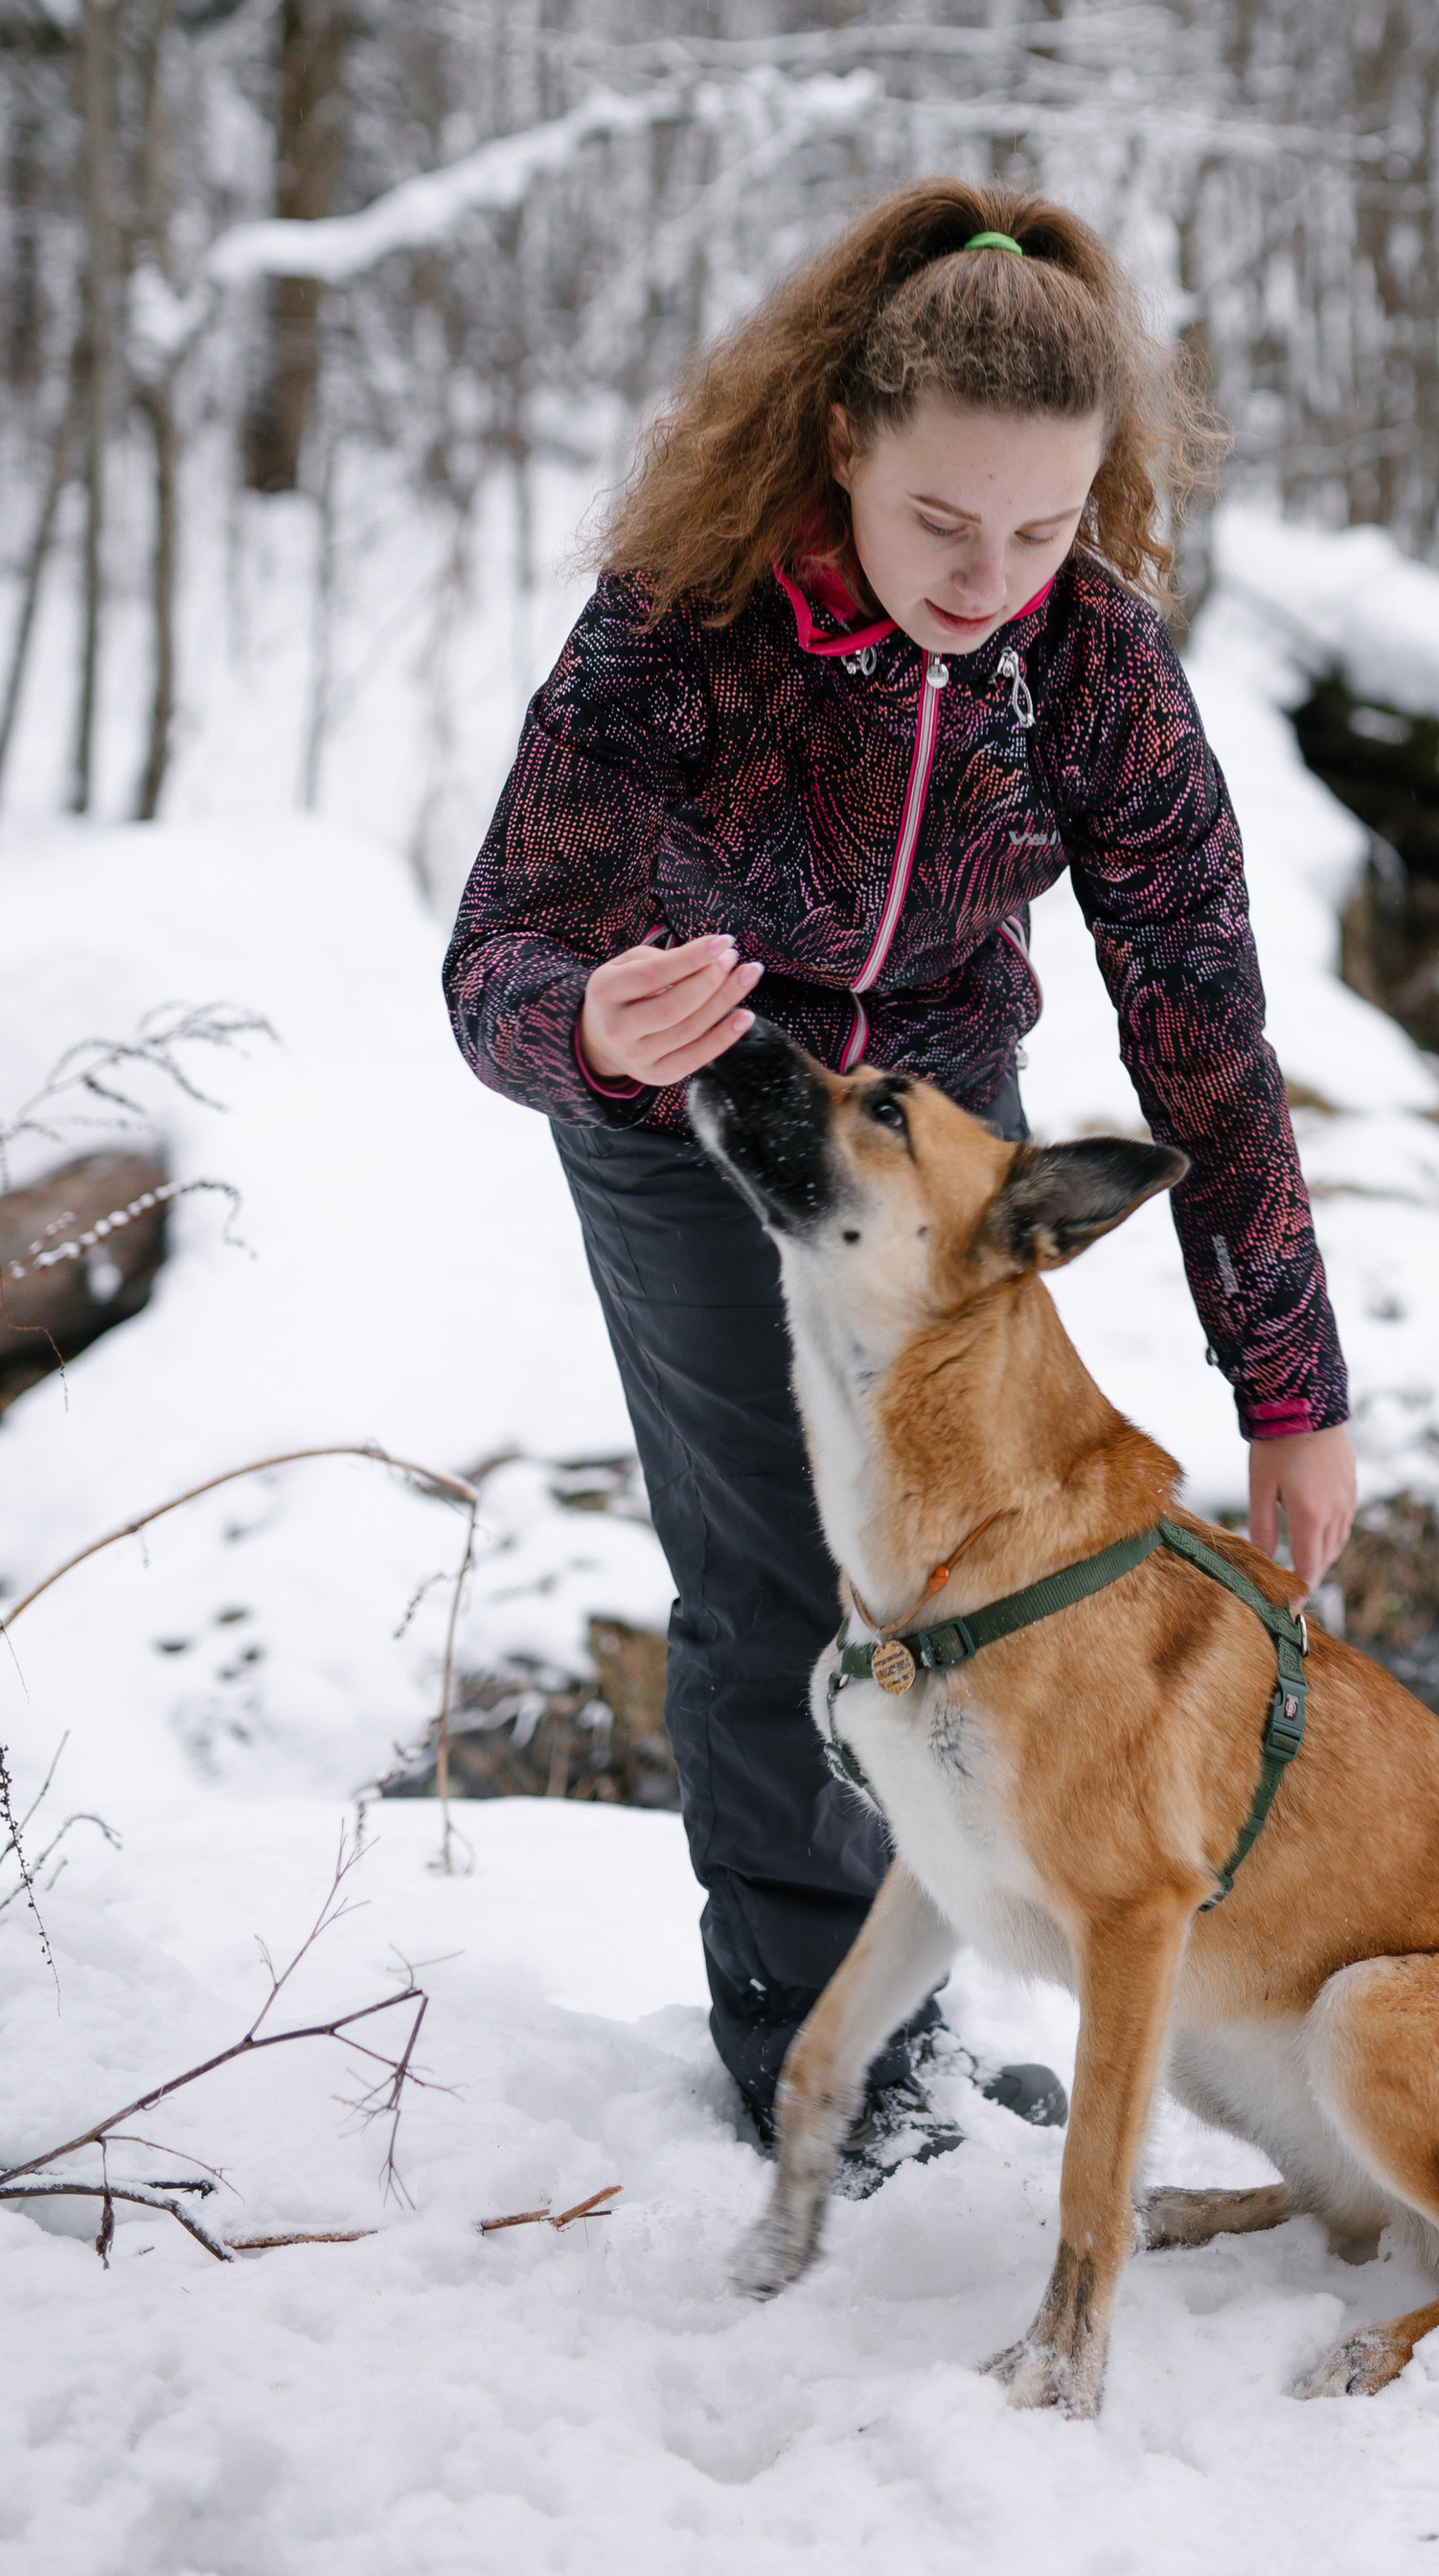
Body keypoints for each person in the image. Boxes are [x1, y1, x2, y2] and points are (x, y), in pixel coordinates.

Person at [443, 178, 1358, 2151]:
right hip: (699, 1120)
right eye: (942, 522)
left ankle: (927, 2005)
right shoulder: (680, 624)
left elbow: (1203, 1033)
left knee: (974, 1576)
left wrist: (1290, 1397)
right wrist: (585, 1026)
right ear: (842, 441)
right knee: (780, 1576)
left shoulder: (1090, 667)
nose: (985, 576)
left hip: (939, 1124)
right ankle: (815, 2063)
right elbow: (497, 950)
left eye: (1038, 530)